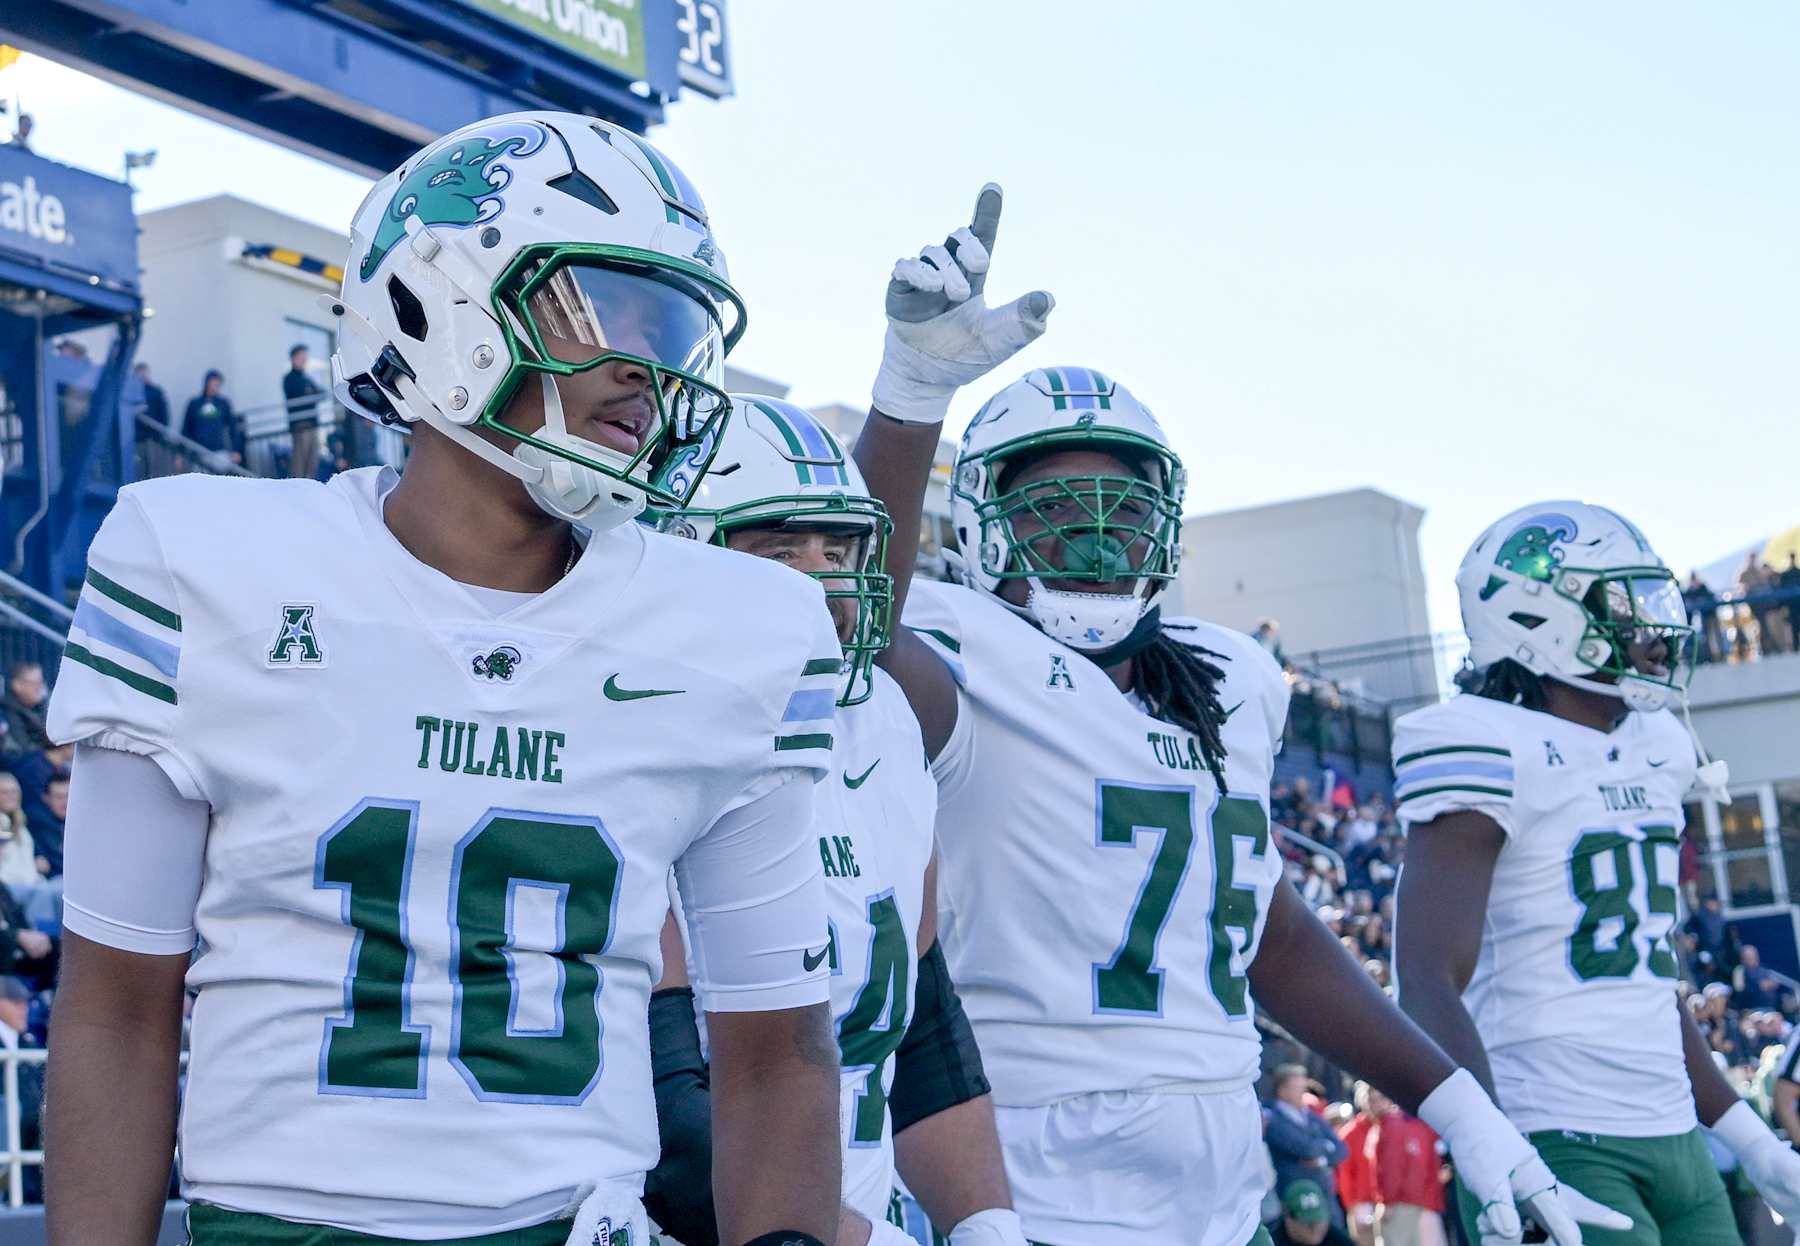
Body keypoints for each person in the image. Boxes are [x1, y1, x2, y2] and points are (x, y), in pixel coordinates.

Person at [44, 111, 848, 1246]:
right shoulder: (197, 563)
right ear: (437, 302)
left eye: (671, 328)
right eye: (606, 308)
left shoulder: (737, 626)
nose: (649, 366)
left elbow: (779, 1047)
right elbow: (117, 1006)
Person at [852, 186, 1621, 1246]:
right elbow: (856, 631)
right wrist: (911, 393)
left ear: (1166, 526)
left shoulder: (1228, 678)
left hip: (1223, 1177)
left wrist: (1458, 1107)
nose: (1094, 536)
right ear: (986, 528)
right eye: (1054, 509)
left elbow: (1274, 932)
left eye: (1123, 511)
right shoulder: (969, 653)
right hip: (1025, 1175)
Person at [650, 398, 1026, 1246]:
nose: (826, 582)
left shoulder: (883, 723)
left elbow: (920, 1023)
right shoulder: (641, 732)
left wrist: (985, 1223)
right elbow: (668, 1115)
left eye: (840, 549)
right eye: (782, 551)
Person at [1392, 500, 1800, 1246]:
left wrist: (1751, 1138)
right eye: (1622, 606)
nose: (1651, 633)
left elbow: (1647, 987)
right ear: (1538, 618)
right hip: (1556, 1134)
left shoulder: (1658, 745)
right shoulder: (1486, 743)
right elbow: (1421, 974)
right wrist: (1492, 1136)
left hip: (1678, 1135)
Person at [1266, 1065, 1349, 1212]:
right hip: (1296, 1197)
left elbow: (1341, 1149)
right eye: (1297, 1088)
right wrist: (1325, 1146)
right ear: (1282, 1090)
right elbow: (1305, 1149)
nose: (1302, 1093)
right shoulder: (1273, 1119)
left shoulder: (1313, 1117)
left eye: (1303, 1088)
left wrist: (1320, 1159)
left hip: (1325, 1193)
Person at [1371, 1102, 1447, 1246]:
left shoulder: (1394, 1123)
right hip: (1421, 1203)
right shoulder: (1420, 1123)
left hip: (1403, 1203)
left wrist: (1388, 1201)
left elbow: (1392, 1168)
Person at [283, 343, 328, 479]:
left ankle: (309, 491)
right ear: (293, 358)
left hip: (312, 424)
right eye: (302, 357)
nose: (304, 360)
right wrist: (310, 393)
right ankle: (296, 492)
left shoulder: (306, 378)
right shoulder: (289, 379)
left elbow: (321, 393)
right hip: (300, 426)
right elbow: (298, 394)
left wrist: (310, 393)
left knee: (313, 461)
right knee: (299, 462)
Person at [1265, 1180, 1356, 1246]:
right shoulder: (1269, 1240)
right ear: (1288, 1217)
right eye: (1309, 1223)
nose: (1316, 1228)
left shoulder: (1336, 1239)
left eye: (1319, 1220)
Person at [180, 370, 242, 464]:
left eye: (218, 383)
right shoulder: (195, 404)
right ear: (207, 382)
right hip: (198, 451)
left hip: (219, 451)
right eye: (213, 382)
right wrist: (181, 453)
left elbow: (233, 428)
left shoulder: (223, 403)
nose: (215, 385)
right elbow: (186, 429)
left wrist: (236, 450)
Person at [0, 660, 50, 759]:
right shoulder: (8, 710)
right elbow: (23, 748)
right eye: (33, 683)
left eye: (40, 682)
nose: (39, 688)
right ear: (16, 685)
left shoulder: (41, 707)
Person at [1733, 945, 1787, 1014]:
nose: (1753, 959)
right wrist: (1758, 986)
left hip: (1771, 1009)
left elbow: (1774, 984)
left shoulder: (1764, 970)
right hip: (1752, 1010)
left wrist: (1771, 985)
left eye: (1755, 956)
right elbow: (1739, 991)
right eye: (1749, 957)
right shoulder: (1740, 971)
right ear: (1742, 959)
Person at [133, 362, 172, 431]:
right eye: (140, 373)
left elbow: (164, 414)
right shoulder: (130, 392)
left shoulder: (156, 392)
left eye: (144, 373)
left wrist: (161, 432)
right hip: (134, 432)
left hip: (151, 433)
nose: (143, 376)